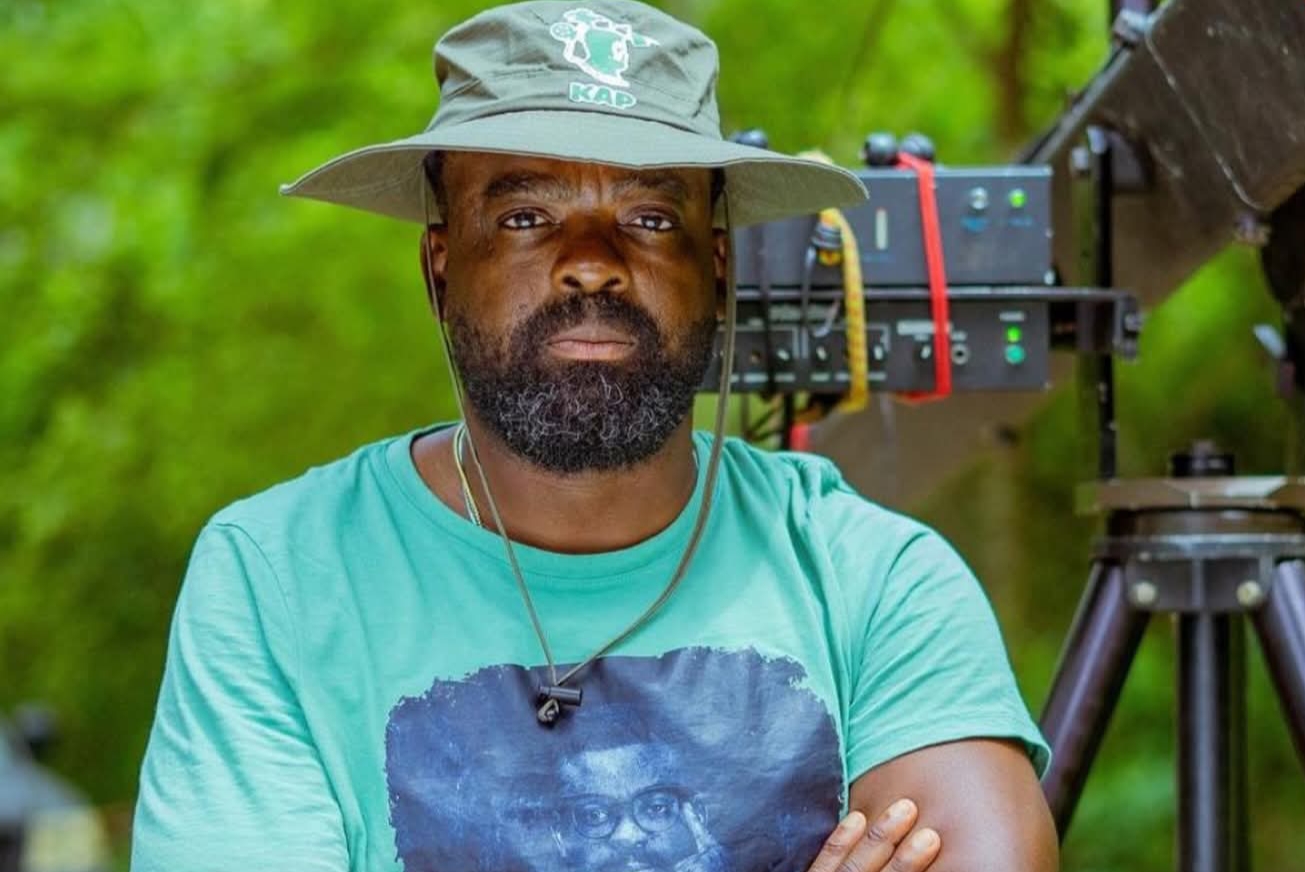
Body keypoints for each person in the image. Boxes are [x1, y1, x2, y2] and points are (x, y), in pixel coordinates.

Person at [130, 2, 1058, 871]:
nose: (589, 265)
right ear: (441, 268)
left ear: (717, 268)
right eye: (525, 217)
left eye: (648, 218)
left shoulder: (871, 580)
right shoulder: (281, 576)